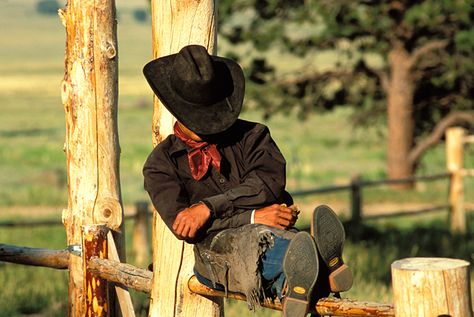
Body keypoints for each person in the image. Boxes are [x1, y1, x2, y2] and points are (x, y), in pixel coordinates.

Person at [142, 44, 352, 317]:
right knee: (256, 242)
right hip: (215, 255)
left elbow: (268, 184)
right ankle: (320, 267)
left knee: (272, 238)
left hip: (273, 233)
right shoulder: (161, 164)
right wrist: (253, 216)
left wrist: (208, 208)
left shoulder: (253, 135)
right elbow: (188, 229)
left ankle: (305, 274)